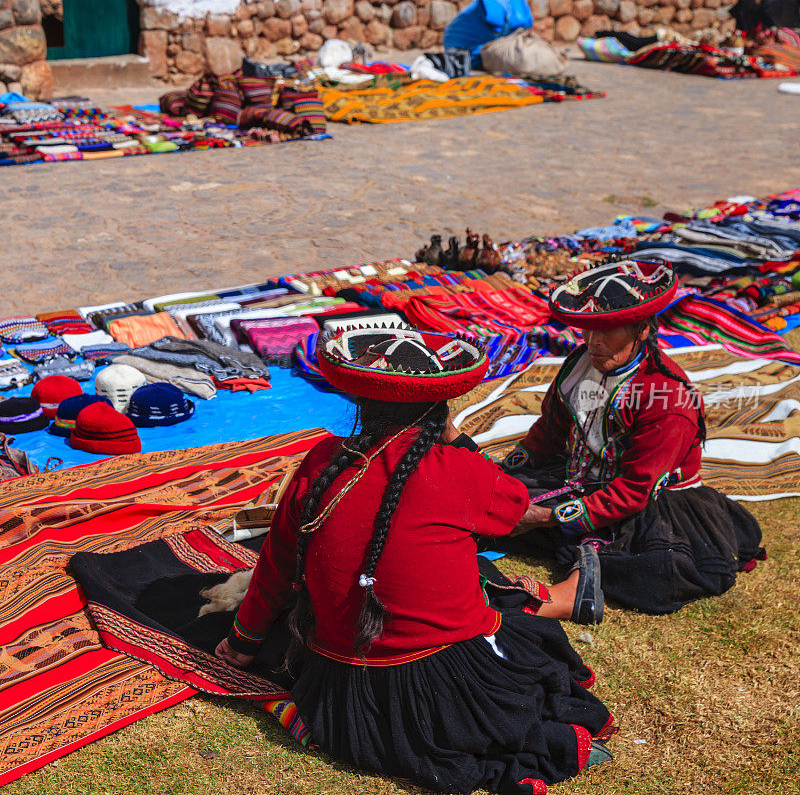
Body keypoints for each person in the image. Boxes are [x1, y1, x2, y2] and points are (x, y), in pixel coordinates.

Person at [215, 327, 615, 795]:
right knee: (517, 623)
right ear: (439, 410)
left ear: (361, 401)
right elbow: (513, 503)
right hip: (441, 686)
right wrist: (459, 440)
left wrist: (244, 642)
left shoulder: (322, 459)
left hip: (339, 693)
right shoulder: (457, 468)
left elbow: (277, 564)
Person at [497, 260, 764, 614]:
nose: (593, 341)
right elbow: (547, 435)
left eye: (607, 330)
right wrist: (500, 474)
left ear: (641, 329)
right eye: (587, 329)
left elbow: (635, 491)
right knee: (498, 498)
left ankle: (578, 585)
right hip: (583, 479)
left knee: (655, 565)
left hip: (653, 503)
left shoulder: (668, 398)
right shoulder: (579, 365)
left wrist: (543, 517)